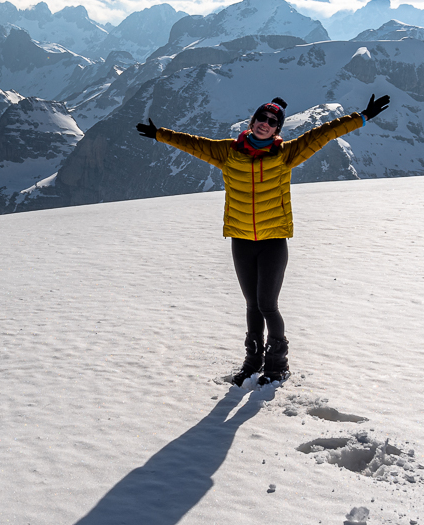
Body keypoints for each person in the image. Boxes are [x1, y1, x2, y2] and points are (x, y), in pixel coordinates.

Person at [136, 94, 391, 386]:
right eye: (261, 119)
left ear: (277, 129)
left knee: (268, 303)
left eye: (272, 122)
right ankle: (252, 360)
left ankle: (277, 363)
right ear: (252, 121)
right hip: (242, 240)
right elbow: (193, 143)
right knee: (252, 305)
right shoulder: (228, 152)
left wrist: (362, 117)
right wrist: (159, 134)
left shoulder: (286, 154)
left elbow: (323, 134)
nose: (265, 125)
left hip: (273, 240)